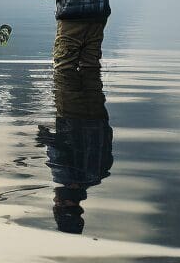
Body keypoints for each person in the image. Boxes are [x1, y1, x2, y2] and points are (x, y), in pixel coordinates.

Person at [37, 67, 114, 234]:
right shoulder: (63, 175)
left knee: (90, 66)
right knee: (65, 67)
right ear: (62, 205)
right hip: (71, 113)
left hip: (98, 112)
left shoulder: (100, 175)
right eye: (57, 204)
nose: (55, 200)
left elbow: (109, 137)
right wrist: (42, 136)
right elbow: (55, 147)